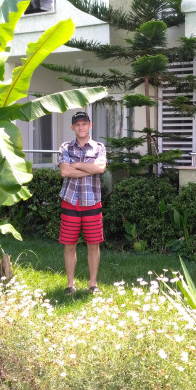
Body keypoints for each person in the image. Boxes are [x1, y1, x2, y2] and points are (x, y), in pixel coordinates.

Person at [58, 111, 107, 295]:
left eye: (84, 124)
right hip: (70, 202)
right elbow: (64, 172)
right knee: (69, 245)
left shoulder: (99, 147)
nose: (81, 127)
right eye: (77, 124)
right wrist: (90, 168)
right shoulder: (65, 147)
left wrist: (76, 165)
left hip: (92, 201)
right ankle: (70, 285)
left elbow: (100, 168)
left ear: (90, 125)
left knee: (93, 245)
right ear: (72, 127)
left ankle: (93, 284)